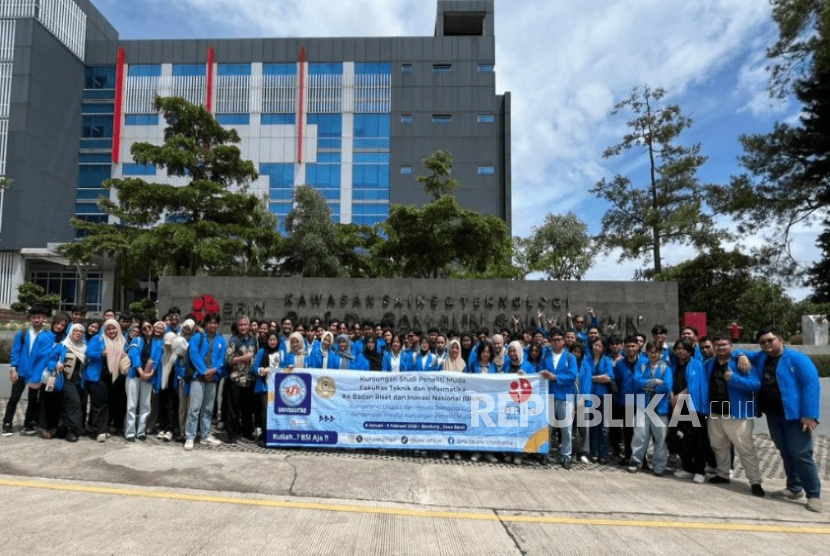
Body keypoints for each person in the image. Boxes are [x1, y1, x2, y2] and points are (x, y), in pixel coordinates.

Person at [741, 325, 822, 512]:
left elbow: (811, 385)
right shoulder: (762, 357)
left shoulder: (797, 358)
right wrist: (742, 356)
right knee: (785, 452)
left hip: (795, 416)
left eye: (770, 340)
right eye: (762, 342)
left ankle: (813, 494)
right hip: (774, 415)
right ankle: (794, 488)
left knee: (801, 454)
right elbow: (738, 350)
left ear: (781, 340)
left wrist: (809, 414)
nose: (767, 344)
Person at [703, 334, 765, 497]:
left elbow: (756, 385)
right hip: (715, 412)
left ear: (731, 346)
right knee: (718, 445)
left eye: (724, 345)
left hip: (737, 413)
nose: (721, 348)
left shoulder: (742, 363)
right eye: (717, 345)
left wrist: (734, 379)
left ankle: (755, 481)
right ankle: (723, 474)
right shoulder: (710, 364)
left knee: (745, 448)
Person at [628, 342, 673, 476]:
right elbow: (636, 382)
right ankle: (636, 462)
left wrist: (647, 386)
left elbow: (667, 386)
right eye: (650, 351)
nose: (653, 354)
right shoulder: (641, 366)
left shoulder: (666, 368)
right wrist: (653, 383)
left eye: (656, 351)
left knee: (660, 437)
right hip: (643, 404)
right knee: (640, 435)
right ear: (646, 352)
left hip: (660, 406)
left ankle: (659, 465)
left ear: (660, 353)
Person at [184, 313, 227, 451]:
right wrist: (204, 371)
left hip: (213, 378)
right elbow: (193, 355)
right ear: (206, 324)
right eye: (210, 323)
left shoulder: (221, 340)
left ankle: (205, 435)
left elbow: (221, 359)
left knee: (208, 409)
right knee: (194, 408)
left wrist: (214, 371)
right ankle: (190, 436)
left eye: (215, 323)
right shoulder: (197, 337)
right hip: (198, 376)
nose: (213, 325)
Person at [3, 305, 48, 436]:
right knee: (14, 398)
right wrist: (13, 369)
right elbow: (15, 352)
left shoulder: (47, 335)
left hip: (36, 373)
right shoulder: (22, 334)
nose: (37, 320)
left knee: (33, 399)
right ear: (30, 319)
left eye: (39, 317)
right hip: (21, 371)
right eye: (34, 317)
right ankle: (7, 423)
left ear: (43, 318)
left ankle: (28, 423)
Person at [669, 338, 708, 484]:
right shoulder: (674, 365)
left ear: (690, 350)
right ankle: (687, 467)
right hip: (678, 406)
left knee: (698, 439)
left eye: (684, 348)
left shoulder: (696, 364)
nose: (681, 351)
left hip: (692, 405)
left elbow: (693, 386)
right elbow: (669, 383)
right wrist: (673, 397)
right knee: (680, 437)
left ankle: (700, 470)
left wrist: (677, 397)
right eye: (678, 348)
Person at [541, 329, 578, 469]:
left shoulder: (570, 357)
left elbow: (573, 376)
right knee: (547, 428)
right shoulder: (546, 357)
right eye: (554, 339)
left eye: (559, 339)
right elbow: (541, 374)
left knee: (566, 429)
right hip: (549, 395)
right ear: (550, 341)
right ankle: (545, 453)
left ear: (563, 341)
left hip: (566, 396)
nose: (556, 342)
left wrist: (555, 378)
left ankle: (566, 455)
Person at [86, 319, 127, 442]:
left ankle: (104, 427)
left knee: (110, 403)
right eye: (108, 329)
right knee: (99, 404)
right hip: (98, 376)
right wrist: (101, 353)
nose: (111, 331)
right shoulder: (98, 339)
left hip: (114, 377)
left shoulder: (122, 340)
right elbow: (89, 353)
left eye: (114, 328)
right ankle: (98, 430)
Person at [49, 323, 87, 442]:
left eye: (81, 331)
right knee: (74, 403)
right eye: (75, 330)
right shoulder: (62, 346)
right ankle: (72, 430)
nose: (78, 333)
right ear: (70, 332)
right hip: (65, 379)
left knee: (69, 405)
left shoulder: (85, 347)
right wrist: (56, 365)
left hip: (80, 381)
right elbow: (50, 360)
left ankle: (63, 429)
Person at [224, 315, 257, 444]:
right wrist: (242, 359)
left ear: (249, 326)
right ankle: (232, 435)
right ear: (238, 327)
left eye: (245, 325)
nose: (243, 327)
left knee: (247, 409)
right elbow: (228, 360)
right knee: (233, 409)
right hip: (236, 379)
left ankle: (247, 433)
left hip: (249, 380)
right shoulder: (234, 340)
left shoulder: (253, 340)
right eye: (241, 325)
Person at [124, 320, 157, 441]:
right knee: (132, 405)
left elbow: (156, 359)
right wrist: (141, 372)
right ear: (141, 331)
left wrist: (150, 373)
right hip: (135, 376)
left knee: (146, 405)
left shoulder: (156, 343)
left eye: (149, 326)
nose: (148, 329)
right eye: (144, 328)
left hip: (148, 377)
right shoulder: (137, 340)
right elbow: (134, 355)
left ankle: (141, 431)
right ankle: (130, 432)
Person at [586, 337, 615, 464]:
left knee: (604, 427)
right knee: (593, 425)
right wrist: (598, 378)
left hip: (604, 396)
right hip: (591, 395)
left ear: (603, 348)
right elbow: (583, 377)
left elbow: (608, 377)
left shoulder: (607, 360)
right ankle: (594, 452)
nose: (596, 347)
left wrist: (592, 378)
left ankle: (603, 453)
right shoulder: (587, 360)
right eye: (595, 345)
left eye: (599, 346)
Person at [253, 332, 281, 446]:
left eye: (274, 340)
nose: (272, 342)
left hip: (279, 388)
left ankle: (278, 436)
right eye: (270, 340)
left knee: (278, 413)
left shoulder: (281, 352)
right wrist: (261, 370)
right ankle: (265, 437)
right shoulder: (261, 352)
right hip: (265, 387)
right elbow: (254, 367)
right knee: (266, 413)